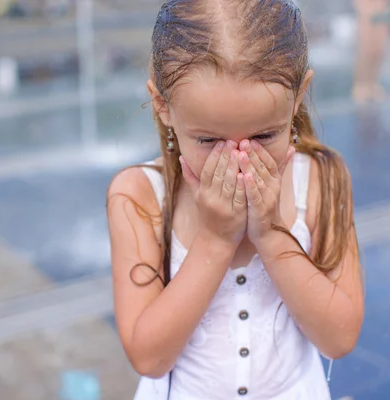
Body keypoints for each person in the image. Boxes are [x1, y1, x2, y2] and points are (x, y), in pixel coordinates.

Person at [106, 1, 364, 399]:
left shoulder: (321, 178)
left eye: (264, 137)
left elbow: (340, 339)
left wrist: (272, 235)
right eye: (208, 140)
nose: (238, 160)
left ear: (298, 98)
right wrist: (216, 239)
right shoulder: (139, 195)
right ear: (163, 107)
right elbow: (149, 358)